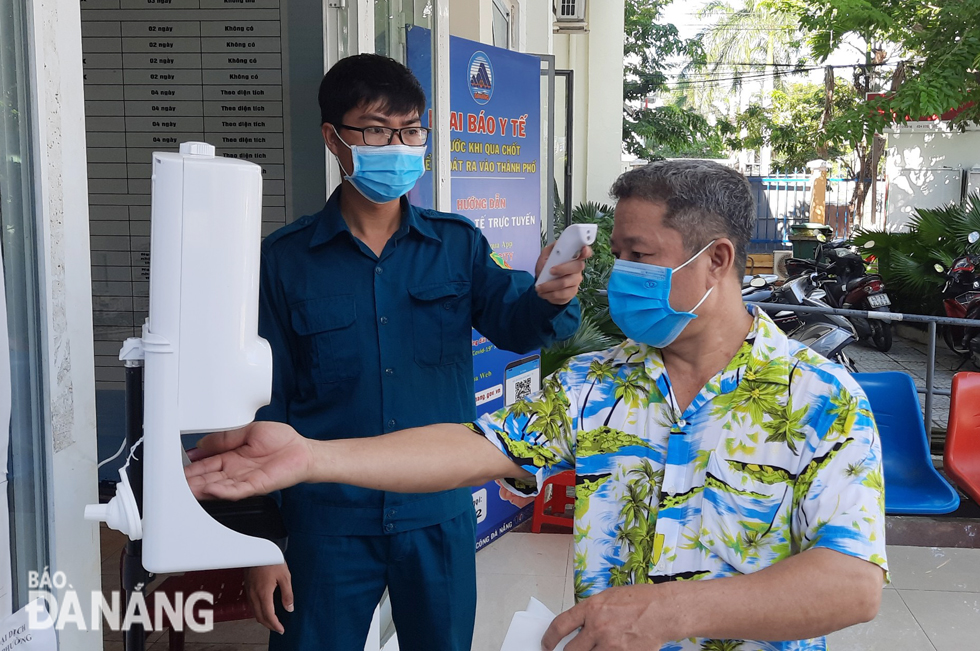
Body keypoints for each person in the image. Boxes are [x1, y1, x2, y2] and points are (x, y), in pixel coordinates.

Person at [190, 160, 887, 651]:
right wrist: (312, 456)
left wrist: (668, 612)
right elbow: (473, 444)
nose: (621, 276)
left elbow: (852, 584)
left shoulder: (818, 399)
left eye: (641, 256)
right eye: (617, 253)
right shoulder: (598, 384)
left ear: (717, 259)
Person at [250, 54, 588, 650]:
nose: (398, 146)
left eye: (411, 131)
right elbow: (262, 405)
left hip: (438, 515)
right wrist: (258, 542)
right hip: (326, 523)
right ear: (335, 139)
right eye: (377, 130)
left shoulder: (455, 245)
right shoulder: (284, 260)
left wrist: (549, 295)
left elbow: (517, 323)